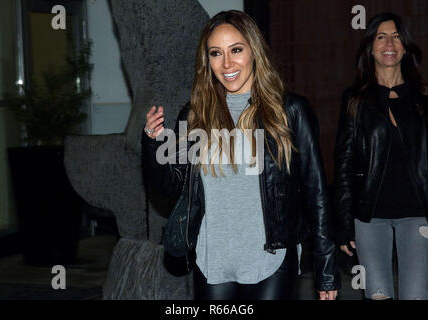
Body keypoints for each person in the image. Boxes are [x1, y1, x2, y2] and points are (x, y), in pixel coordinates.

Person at [142, 10, 339, 300]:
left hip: (271, 261)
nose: (227, 63)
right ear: (206, 61)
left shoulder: (290, 112)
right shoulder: (194, 117)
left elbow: (316, 194)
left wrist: (327, 270)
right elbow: (168, 187)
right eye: (216, 53)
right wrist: (152, 143)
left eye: (236, 50)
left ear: (254, 50)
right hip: (212, 263)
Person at [334, 12, 428, 300]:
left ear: (405, 45)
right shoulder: (355, 100)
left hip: (419, 217)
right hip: (370, 219)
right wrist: (343, 224)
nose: (389, 43)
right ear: (371, 47)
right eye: (381, 36)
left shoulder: (426, 97)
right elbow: (344, 164)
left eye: (396, 36)